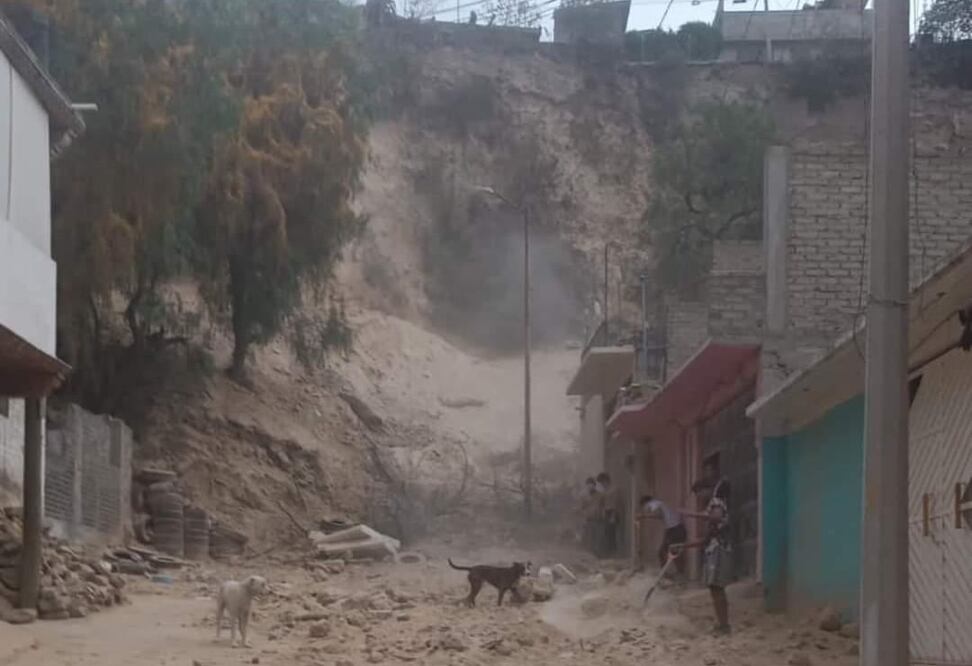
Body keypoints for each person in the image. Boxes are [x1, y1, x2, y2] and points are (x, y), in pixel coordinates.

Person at [676, 485, 733, 635]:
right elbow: (705, 540)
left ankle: (724, 626)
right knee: (715, 589)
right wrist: (684, 546)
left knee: (717, 588)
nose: (699, 496)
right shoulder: (712, 511)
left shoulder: (716, 502)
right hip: (713, 551)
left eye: (699, 492)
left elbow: (716, 516)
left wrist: (691, 514)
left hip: (718, 551)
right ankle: (723, 625)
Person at [639, 494, 687, 578]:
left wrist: (643, 516)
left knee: (671, 551)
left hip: (675, 529)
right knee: (666, 551)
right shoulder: (659, 503)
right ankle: (668, 574)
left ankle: (676, 574)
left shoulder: (654, 504)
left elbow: (658, 514)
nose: (645, 509)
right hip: (673, 529)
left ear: (645, 503)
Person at [596, 472, 620, 558]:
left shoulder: (614, 489)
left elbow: (616, 504)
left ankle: (613, 553)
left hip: (612, 513)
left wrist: (613, 516)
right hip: (606, 513)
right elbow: (603, 503)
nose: (602, 484)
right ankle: (607, 553)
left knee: (611, 534)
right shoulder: (605, 491)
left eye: (602, 482)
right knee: (606, 533)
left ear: (606, 480)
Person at [579, 477, 599, 552]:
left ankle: (595, 550)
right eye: (588, 485)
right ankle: (589, 549)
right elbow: (582, 507)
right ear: (586, 486)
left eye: (592, 484)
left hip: (597, 518)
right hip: (587, 517)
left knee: (596, 535)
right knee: (588, 534)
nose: (590, 486)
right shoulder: (584, 496)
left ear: (594, 485)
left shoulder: (599, 495)